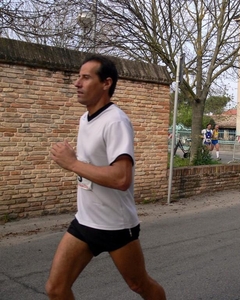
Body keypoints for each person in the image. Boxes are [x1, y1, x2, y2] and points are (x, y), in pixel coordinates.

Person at [46, 55, 166, 299]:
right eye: (78, 77)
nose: (77, 83)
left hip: (115, 225)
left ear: (106, 83)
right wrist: (76, 164)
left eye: (86, 77)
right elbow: (91, 167)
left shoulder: (116, 121)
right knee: (56, 289)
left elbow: (122, 178)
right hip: (85, 221)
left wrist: (73, 163)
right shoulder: (85, 118)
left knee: (139, 285)